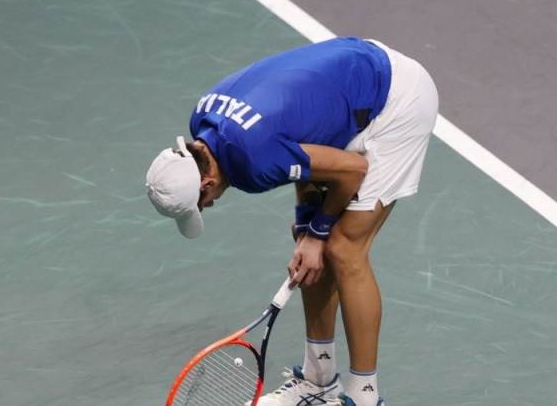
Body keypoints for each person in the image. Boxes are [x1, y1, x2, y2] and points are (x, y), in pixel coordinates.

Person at [145, 37, 438, 406]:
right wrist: (307, 227)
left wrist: (317, 235)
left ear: (205, 182)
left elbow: (352, 170)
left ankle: (365, 396)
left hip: (396, 98)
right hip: (354, 71)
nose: (208, 208)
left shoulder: (251, 163)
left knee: (343, 247)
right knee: (310, 235)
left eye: (201, 204)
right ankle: (318, 380)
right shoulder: (205, 122)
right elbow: (299, 143)